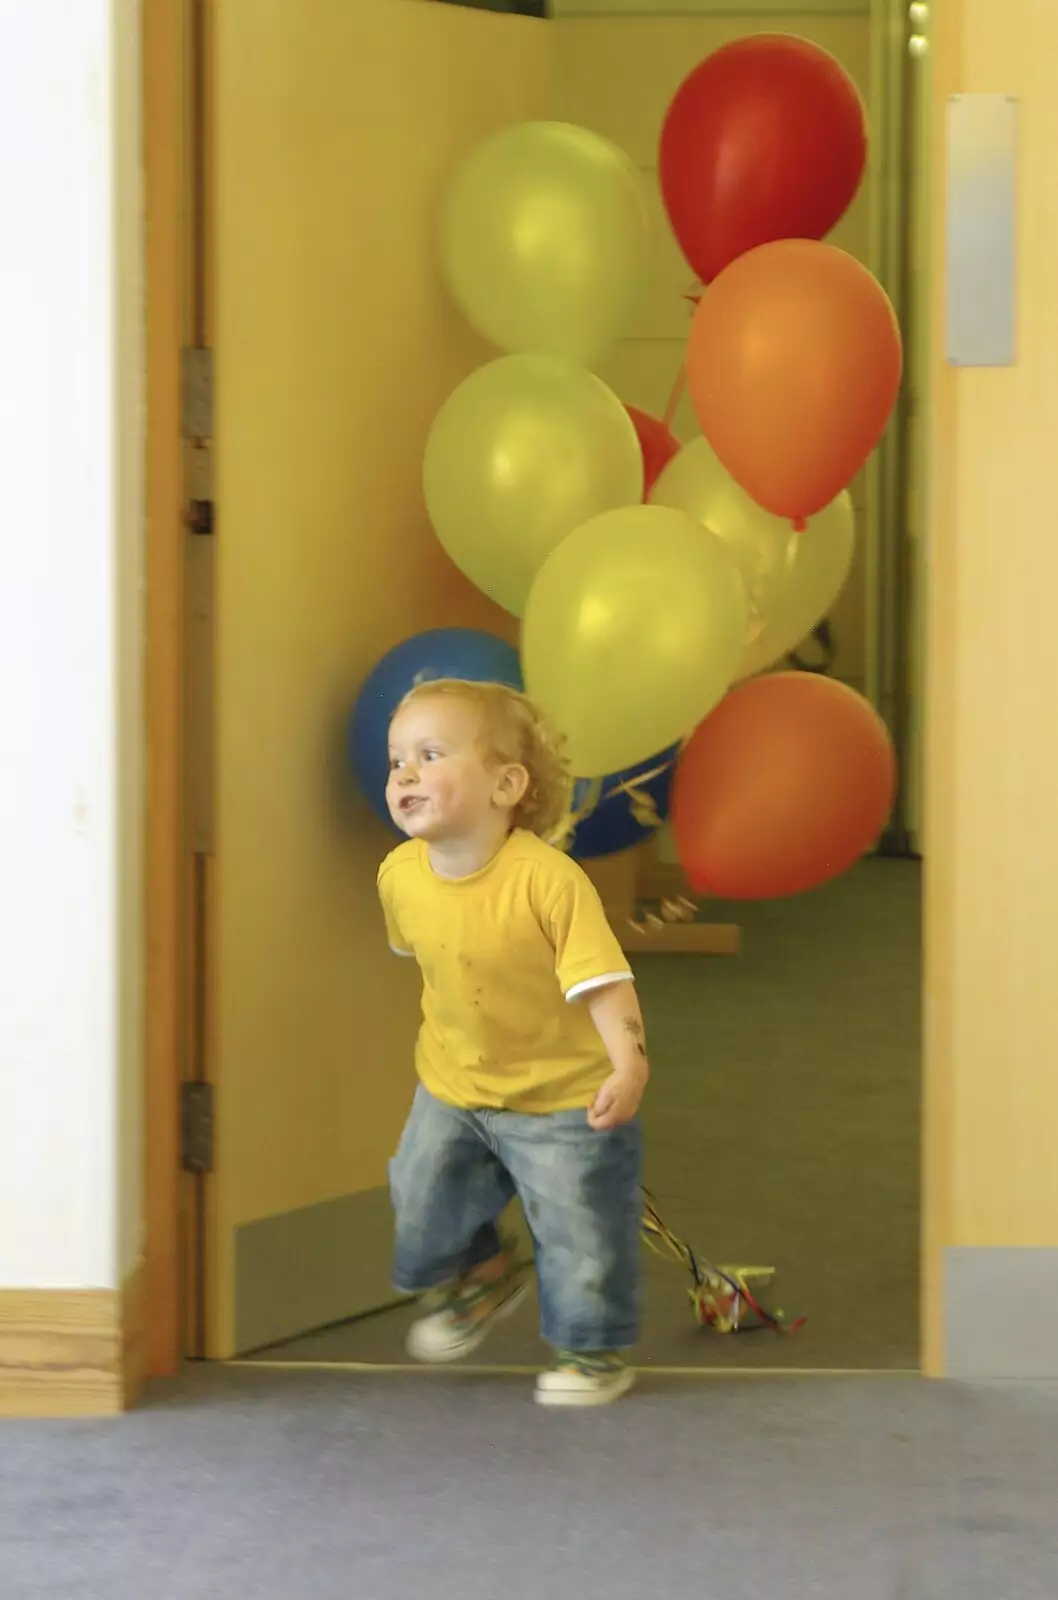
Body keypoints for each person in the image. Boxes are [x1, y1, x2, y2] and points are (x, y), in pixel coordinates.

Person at [377, 678, 649, 1407]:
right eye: (395, 759)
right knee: (418, 1191)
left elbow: (603, 984)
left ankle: (591, 1350)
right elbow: (434, 961)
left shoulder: (549, 883)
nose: (403, 774)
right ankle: (484, 1277)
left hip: (562, 1096)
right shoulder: (399, 876)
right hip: (455, 1084)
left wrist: (628, 1065)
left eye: (429, 755)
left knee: (580, 1228)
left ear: (506, 784)